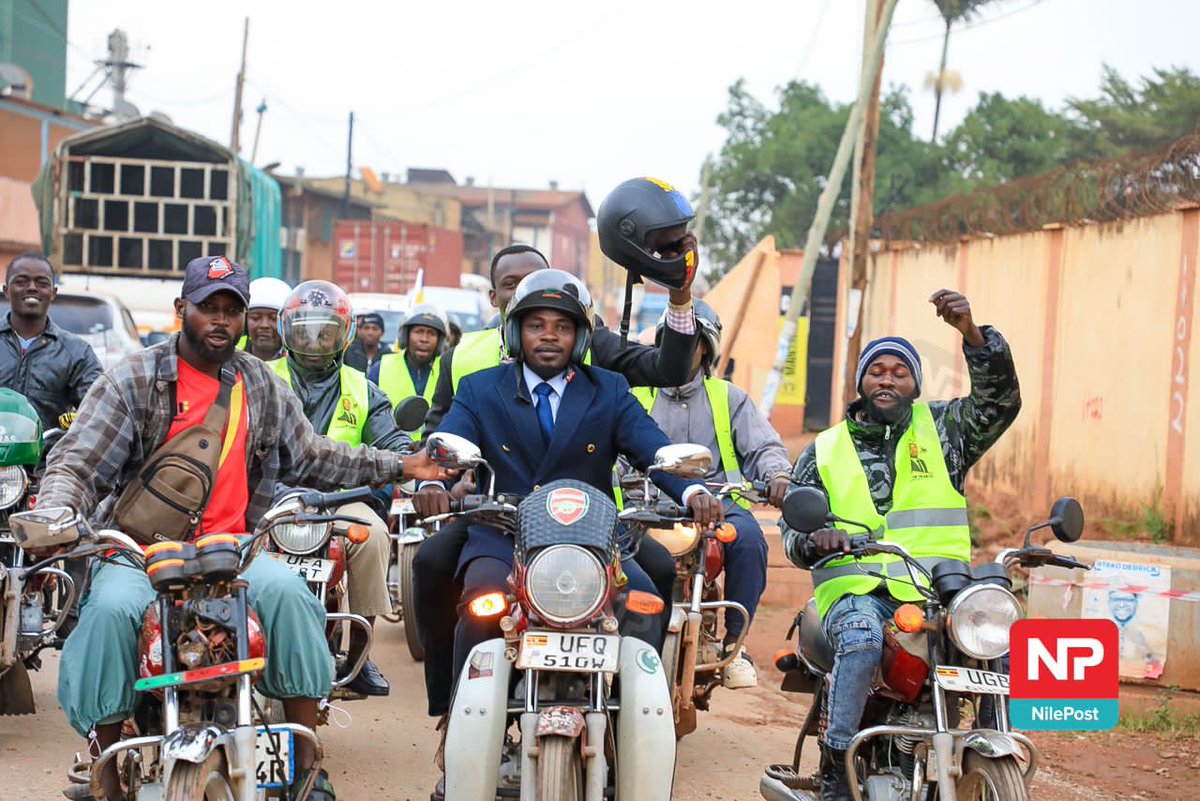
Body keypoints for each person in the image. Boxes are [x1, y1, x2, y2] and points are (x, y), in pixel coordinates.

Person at [39, 256, 450, 801]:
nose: (221, 320)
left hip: (236, 551)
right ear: (182, 309)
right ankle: (106, 766)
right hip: (141, 554)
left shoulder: (258, 383)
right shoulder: (134, 378)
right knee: (111, 611)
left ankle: (306, 761)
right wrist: (54, 513)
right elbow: (77, 464)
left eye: (232, 310)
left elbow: (315, 456)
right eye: (209, 307)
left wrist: (402, 466)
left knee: (292, 598)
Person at [427, 269, 723, 796]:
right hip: (505, 532)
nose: (548, 335)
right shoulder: (479, 389)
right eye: (536, 325)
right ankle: (460, 724)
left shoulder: (608, 388)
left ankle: (632, 725)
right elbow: (449, 442)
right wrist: (436, 475)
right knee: (479, 606)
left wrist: (694, 493)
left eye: (561, 327)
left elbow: (653, 449)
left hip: (593, 543)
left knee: (648, 601)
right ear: (515, 333)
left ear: (581, 337)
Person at [781, 289, 1021, 801]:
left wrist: (972, 334)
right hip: (857, 593)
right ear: (862, 381)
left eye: (899, 371)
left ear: (915, 384)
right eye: (877, 370)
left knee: (995, 637)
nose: (887, 378)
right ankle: (835, 766)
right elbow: (792, 535)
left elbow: (1000, 402)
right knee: (864, 636)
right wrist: (816, 540)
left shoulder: (948, 431)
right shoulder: (823, 449)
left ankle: (999, 742)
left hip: (938, 590)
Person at [628, 299, 792, 689]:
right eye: (672, 339)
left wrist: (778, 476)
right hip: (648, 505)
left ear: (706, 347)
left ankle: (736, 643)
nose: (680, 348)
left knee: (750, 541)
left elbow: (764, 447)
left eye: (691, 340)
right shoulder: (637, 395)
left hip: (719, 506)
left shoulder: (729, 398)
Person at [270, 281, 414, 697]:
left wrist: (407, 458)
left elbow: (393, 441)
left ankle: (359, 654)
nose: (314, 341)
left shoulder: (363, 387)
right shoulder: (263, 378)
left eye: (325, 331)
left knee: (373, 537)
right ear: (286, 331)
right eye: (304, 330)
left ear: (343, 334)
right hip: (274, 498)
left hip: (343, 502)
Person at [0, 253, 102, 430]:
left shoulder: (77, 352)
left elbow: (100, 410)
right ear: (6, 290)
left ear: (53, 292)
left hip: (49, 456)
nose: (32, 287)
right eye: (21, 281)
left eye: (42, 283)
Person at [369, 303, 447, 413]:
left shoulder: (448, 371)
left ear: (440, 341)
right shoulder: (381, 369)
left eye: (431, 333)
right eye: (418, 332)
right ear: (406, 336)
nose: (424, 339)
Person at [238, 276, 290, 361]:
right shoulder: (229, 354)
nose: (264, 325)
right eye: (255, 318)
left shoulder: (298, 362)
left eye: (273, 318)